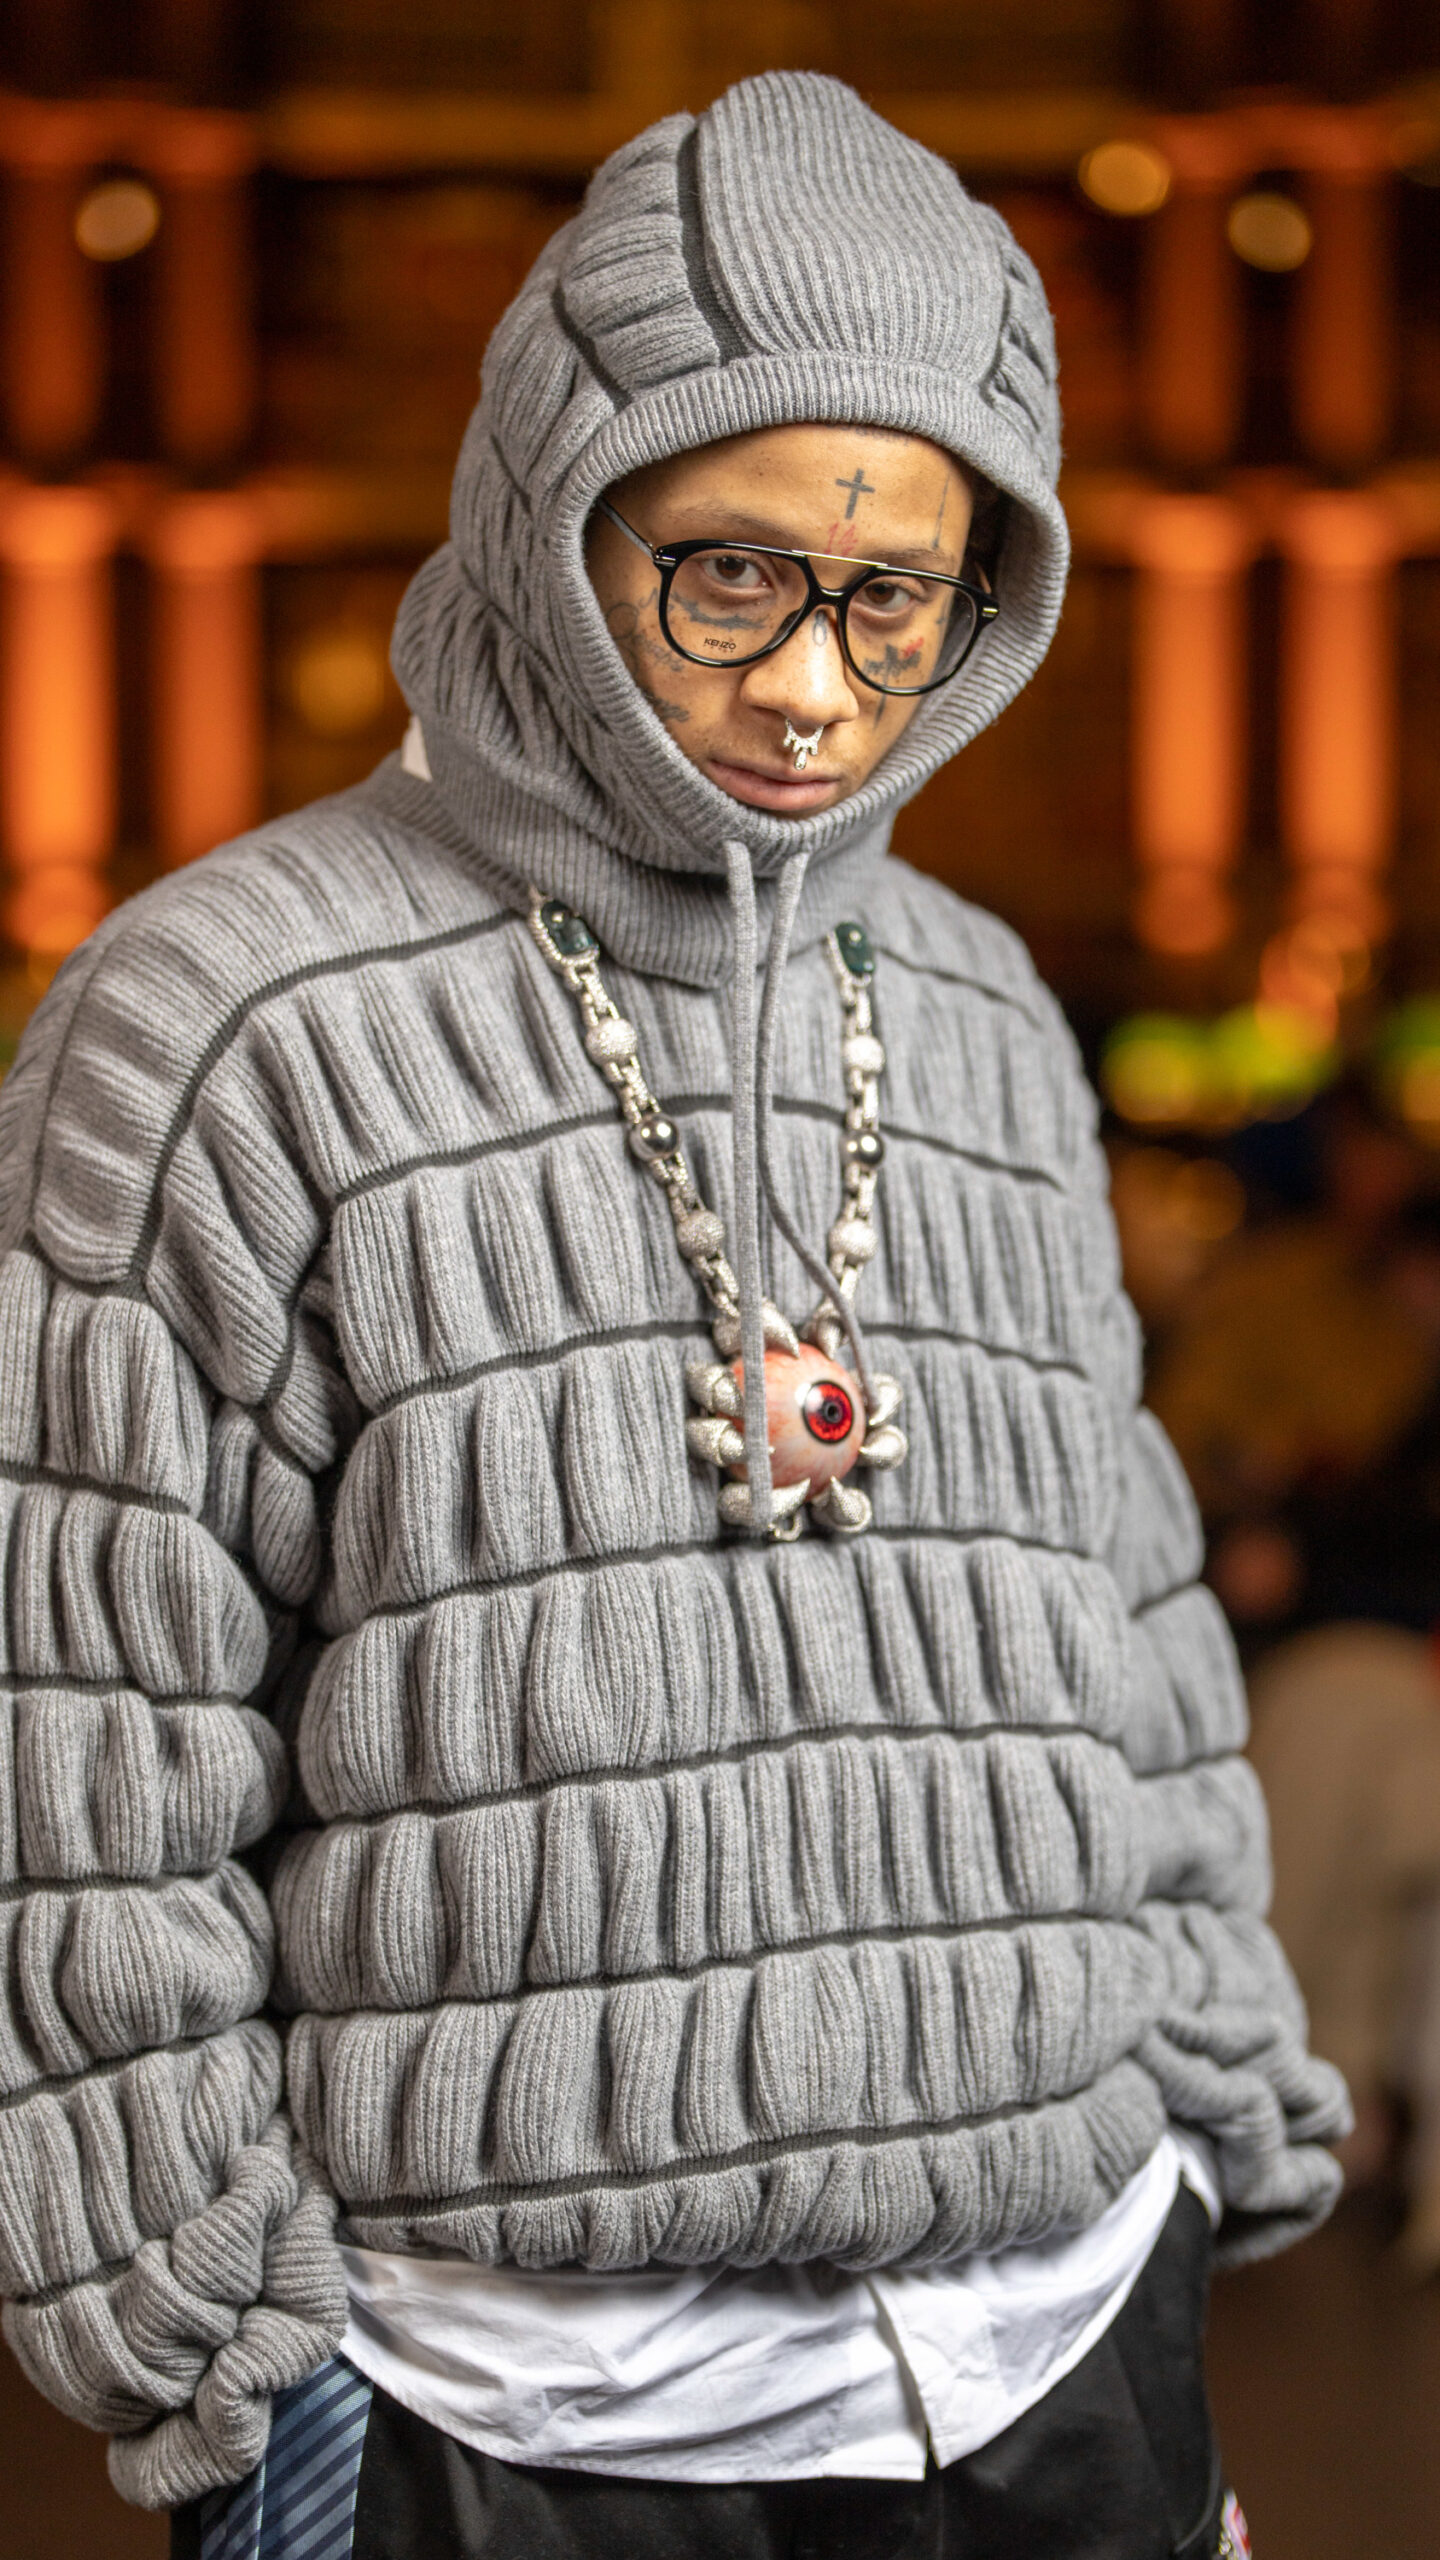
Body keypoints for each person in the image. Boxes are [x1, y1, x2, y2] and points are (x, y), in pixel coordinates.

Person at [0, 72, 1341, 2560]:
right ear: (553, 509)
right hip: (504, 2399)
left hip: (1062, 2349)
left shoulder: (979, 1007)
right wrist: (209, 2332)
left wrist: (1190, 2120)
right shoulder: (223, 1018)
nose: (816, 687)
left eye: (897, 598)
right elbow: (75, 1742)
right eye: (726, 575)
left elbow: (1129, 1630)